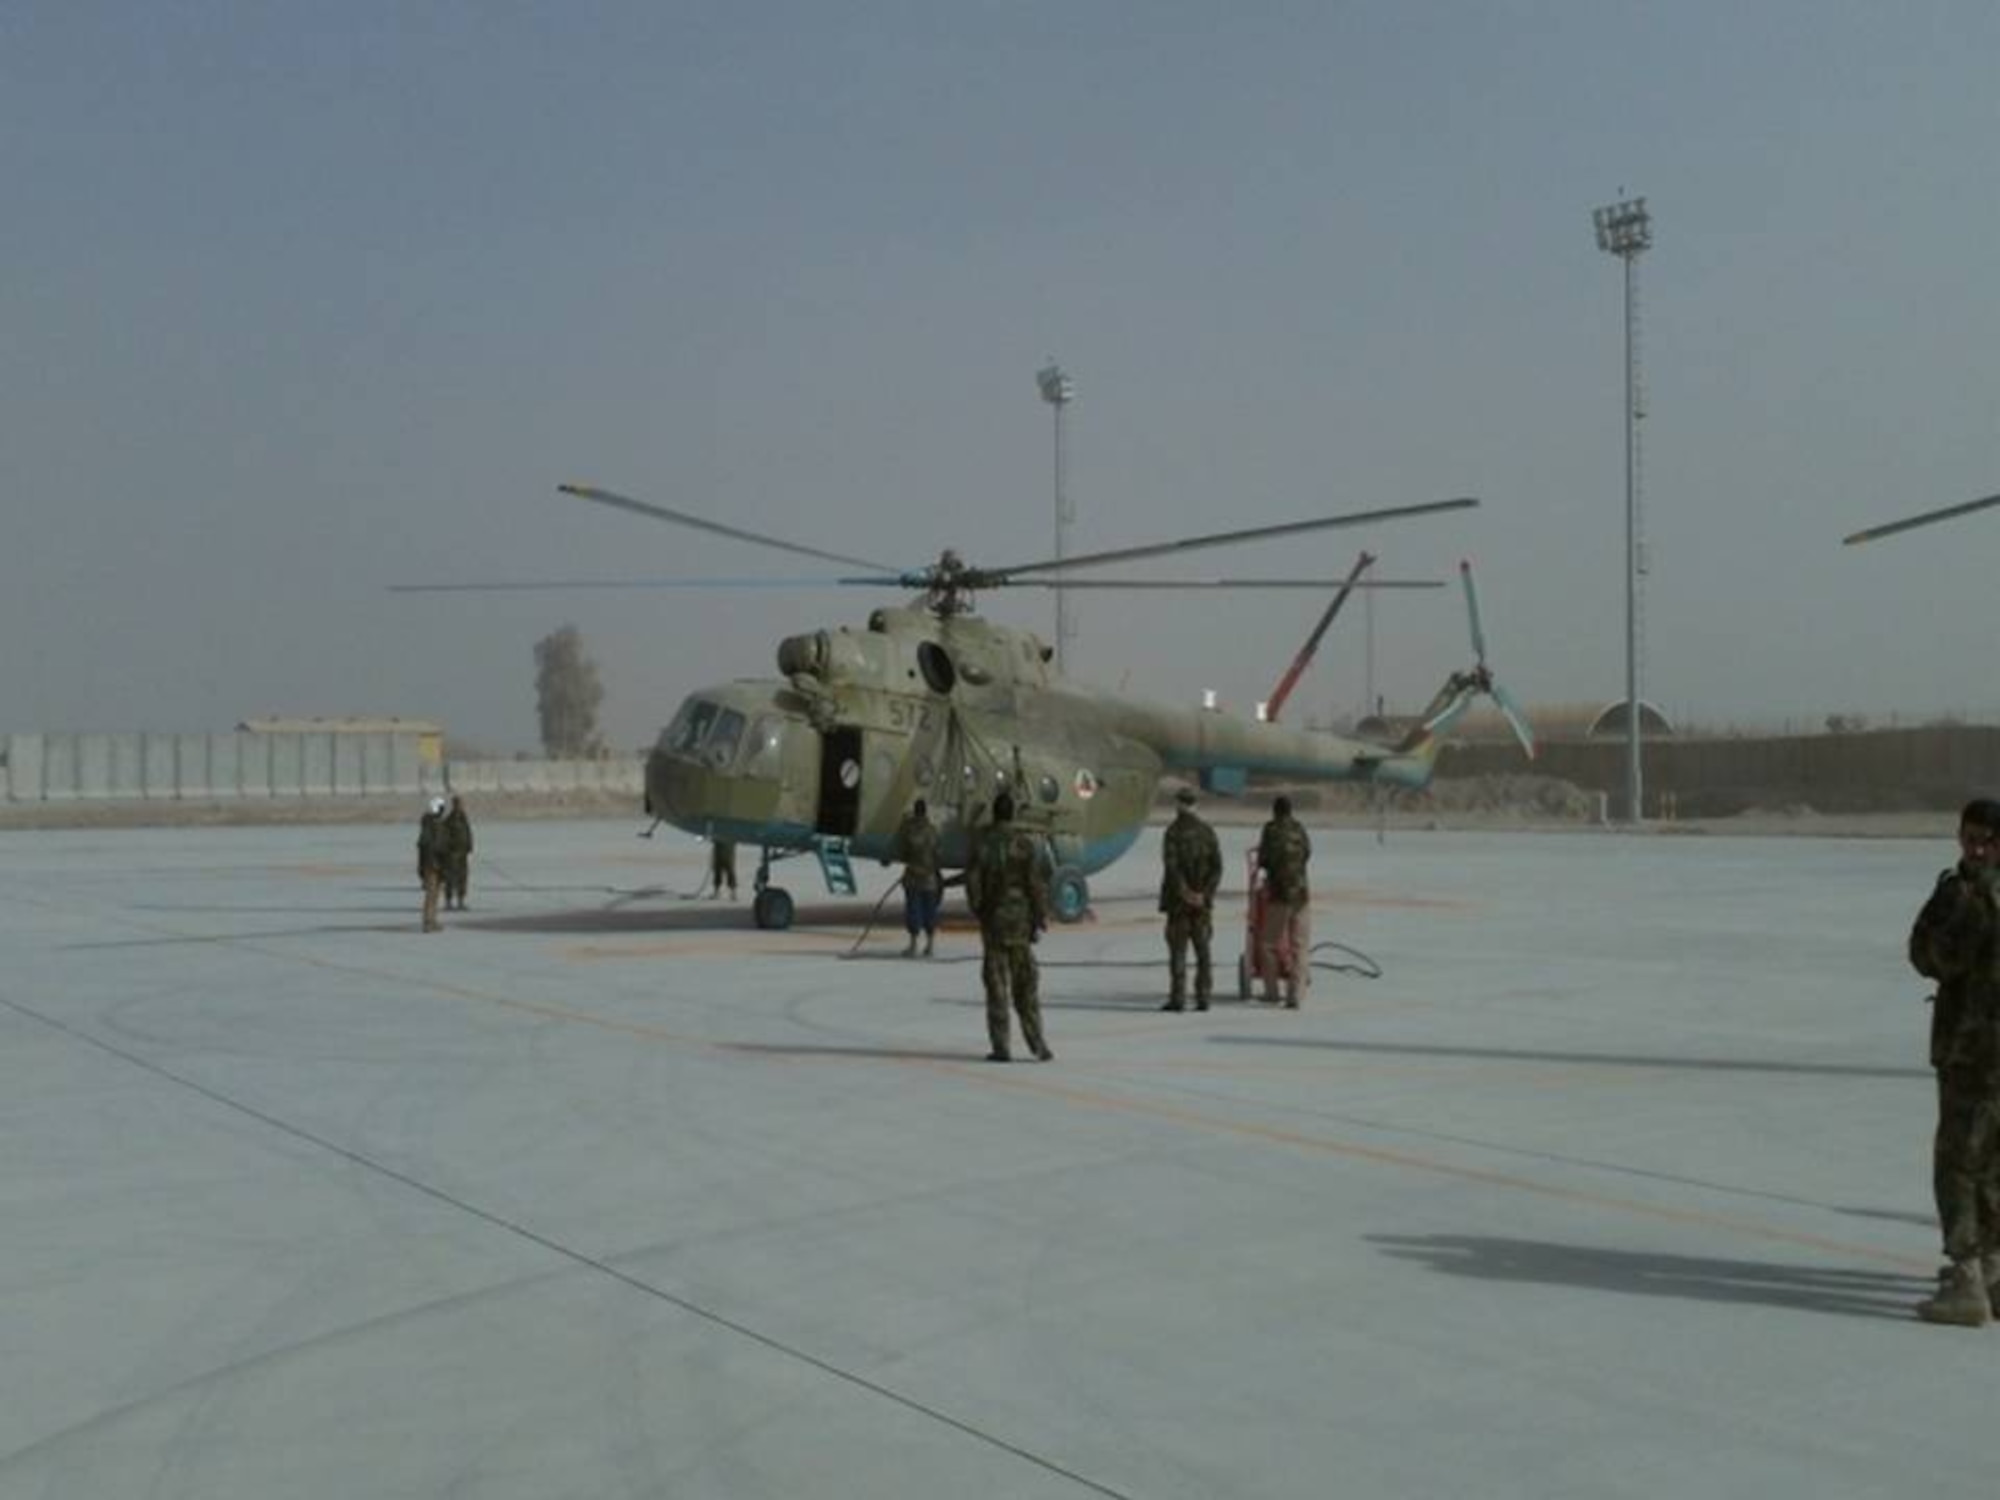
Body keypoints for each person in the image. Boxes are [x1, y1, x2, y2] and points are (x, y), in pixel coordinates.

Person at [1908, 798, 2000, 1326]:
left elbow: (1931, 956)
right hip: (1978, 1054)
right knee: (1991, 1162)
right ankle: (1991, 1265)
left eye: (1987, 840)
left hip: (1972, 1055)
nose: (1977, 849)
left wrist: (1963, 902)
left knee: (1961, 1164)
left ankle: (1968, 1275)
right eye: (1970, 838)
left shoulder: (1965, 894)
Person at [965, 792, 1053, 1062]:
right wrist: (1040, 917)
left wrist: (980, 911)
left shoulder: (983, 844)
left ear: (994, 813)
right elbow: (1035, 885)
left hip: (994, 921)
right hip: (1020, 923)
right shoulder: (1024, 843)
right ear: (1013, 813)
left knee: (996, 985)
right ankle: (1038, 1044)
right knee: (1026, 985)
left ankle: (1001, 1047)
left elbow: (973, 883)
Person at [1159, 786, 1223, 1011]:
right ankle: (1203, 996)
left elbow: (1172, 867)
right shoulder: (1207, 832)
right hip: (1202, 904)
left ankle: (1178, 998)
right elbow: (1217, 867)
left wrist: (1185, 892)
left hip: (1179, 904)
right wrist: (1204, 894)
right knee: (1203, 951)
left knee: (1178, 952)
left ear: (1178, 804)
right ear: (1195, 805)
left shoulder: (1172, 833)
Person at [1255, 794, 1313, 1007]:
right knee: (1300, 945)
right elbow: (1307, 853)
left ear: (1275, 811)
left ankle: (1272, 992)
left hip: (1279, 895)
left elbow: (1263, 859)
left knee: (1269, 944)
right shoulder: (1299, 828)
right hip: (1301, 894)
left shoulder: (1270, 830)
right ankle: (1295, 995)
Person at [893, 797, 943, 957]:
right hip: (930, 878)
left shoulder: (909, 830)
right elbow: (937, 853)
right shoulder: (933, 830)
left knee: (913, 910)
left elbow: (903, 852)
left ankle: (913, 944)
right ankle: (930, 945)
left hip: (914, 877)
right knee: (930, 911)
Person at [416, 796, 448, 933]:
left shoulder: (435, 824)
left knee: (435, 895)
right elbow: (427, 846)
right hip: (432, 865)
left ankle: (433, 920)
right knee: (431, 894)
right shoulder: (430, 826)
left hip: (438, 864)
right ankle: (428, 922)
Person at [441, 795, 474, 911]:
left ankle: (461, 900)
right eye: (459, 804)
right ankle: (448, 901)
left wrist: (470, 846)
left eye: (461, 804)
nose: (461, 806)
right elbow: (444, 837)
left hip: (463, 853)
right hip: (452, 854)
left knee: (462, 877)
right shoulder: (449, 820)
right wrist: (450, 848)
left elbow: (468, 833)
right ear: (454, 805)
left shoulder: (463, 818)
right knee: (450, 878)